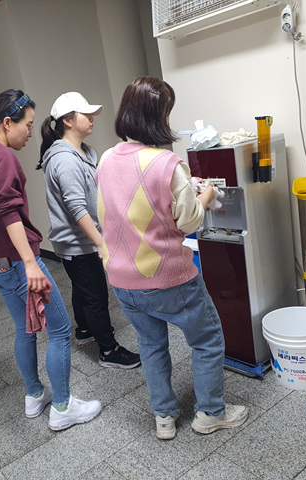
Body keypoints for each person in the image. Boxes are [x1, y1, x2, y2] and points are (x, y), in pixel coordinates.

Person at [95, 77, 249, 440]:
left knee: (151, 345)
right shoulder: (167, 163)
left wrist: (182, 187)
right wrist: (205, 196)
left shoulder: (106, 158)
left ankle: (163, 417)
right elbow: (188, 221)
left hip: (122, 280)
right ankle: (210, 413)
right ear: (157, 116)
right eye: (167, 111)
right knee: (207, 339)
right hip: (167, 278)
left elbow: (129, 203)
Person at [0, 89, 101, 431]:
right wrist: (29, 263)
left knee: (24, 329)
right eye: (27, 125)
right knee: (60, 330)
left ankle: (34, 394)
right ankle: (63, 407)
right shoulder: (2, 158)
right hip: (18, 262)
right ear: (7, 122)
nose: (30, 132)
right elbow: (8, 212)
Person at [37, 92, 141, 369]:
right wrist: (99, 242)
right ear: (68, 121)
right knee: (96, 295)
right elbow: (76, 207)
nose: (92, 118)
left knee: (83, 286)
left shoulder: (85, 152)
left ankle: (84, 330)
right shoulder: (65, 160)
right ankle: (108, 350)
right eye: (86, 114)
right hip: (78, 242)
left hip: (82, 240)